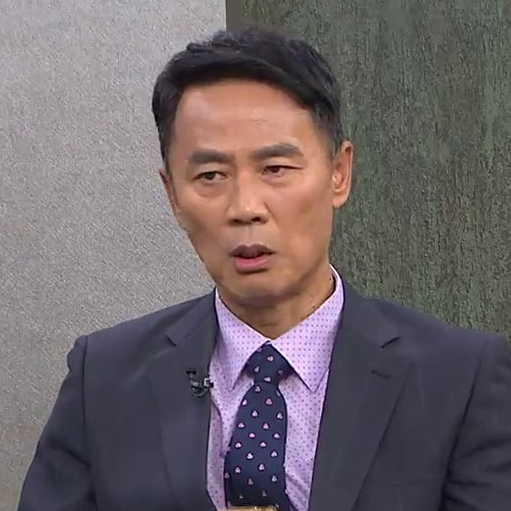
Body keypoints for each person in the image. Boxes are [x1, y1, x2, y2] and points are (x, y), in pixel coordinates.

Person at [17, 27, 511, 511]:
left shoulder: (460, 379)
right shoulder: (104, 378)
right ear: (173, 196)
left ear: (339, 173)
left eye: (275, 169)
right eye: (211, 175)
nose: (245, 207)